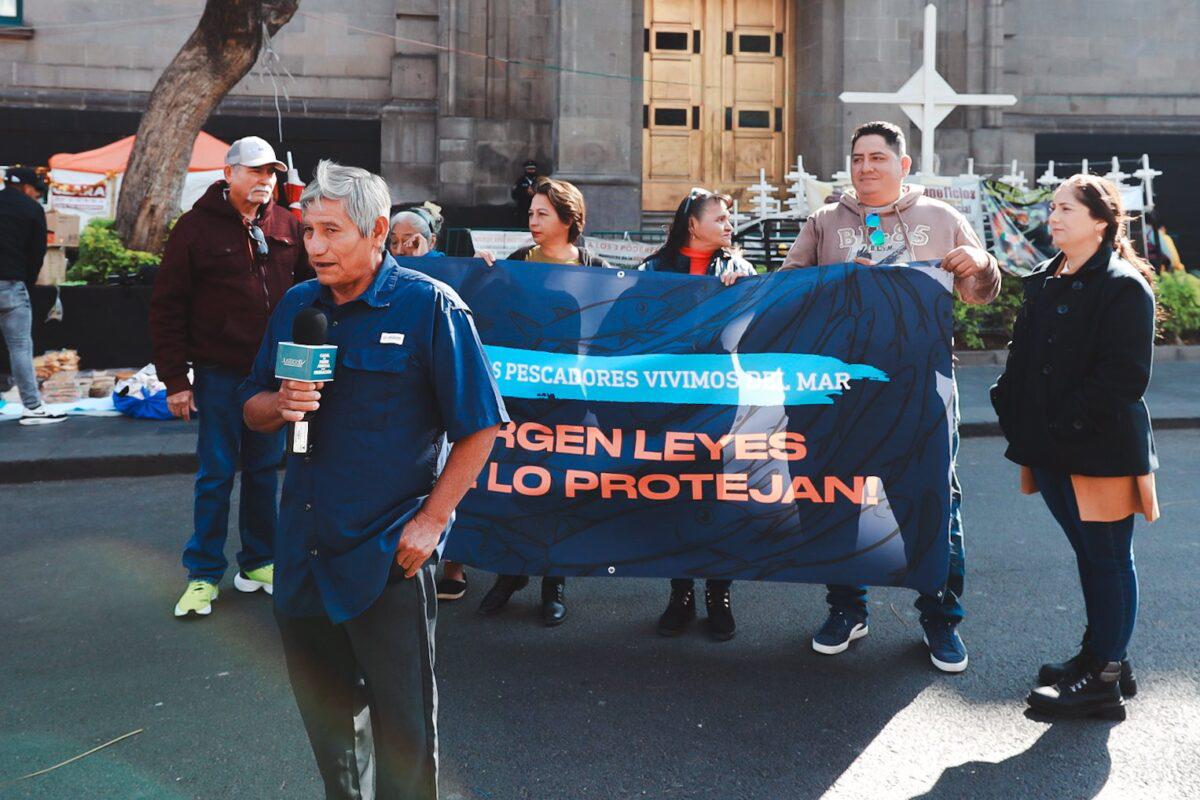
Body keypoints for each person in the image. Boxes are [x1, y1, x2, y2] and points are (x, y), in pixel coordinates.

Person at [241, 160, 507, 799]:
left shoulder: (430, 306)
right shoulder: (299, 306)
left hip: (386, 555)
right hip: (302, 553)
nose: (315, 247)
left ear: (378, 230)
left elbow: (481, 426)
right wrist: (281, 403)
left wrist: (432, 522)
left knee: (403, 729)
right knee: (329, 724)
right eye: (309, 231)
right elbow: (250, 407)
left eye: (332, 231)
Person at [779, 120, 1001, 673]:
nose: (865, 168)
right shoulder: (825, 222)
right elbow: (786, 290)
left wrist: (983, 265)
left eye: (877, 158)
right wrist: (833, 284)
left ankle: (940, 617)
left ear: (903, 165)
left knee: (932, 499)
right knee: (835, 495)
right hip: (841, 389)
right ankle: (846, 609)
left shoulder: (942, 219)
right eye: (857, 158)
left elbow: (980, 294)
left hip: (921, 386)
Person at [991, 174, 1157, 721]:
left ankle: (1102, 681)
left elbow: (1123, 379)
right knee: (1090, 556)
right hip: (1049, 446)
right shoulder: (1046, 276)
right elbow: (1022, 354)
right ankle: (1103, 655)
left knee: (1107, 559)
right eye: (1053, 207)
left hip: (1099, 448)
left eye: (1067, 209)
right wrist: (1008, 403)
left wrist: (1060, 423)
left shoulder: (1123, 285)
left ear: (1101, 222)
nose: (1054, 217)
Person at [150, 136, 309, 618]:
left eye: (272, 172)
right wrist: (176, 381)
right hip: (218, 373)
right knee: (216, 474)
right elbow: (167, 306)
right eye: (256, 171)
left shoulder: (288, 224)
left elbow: (311, 290)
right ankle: (202, 575)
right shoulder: (194, 228)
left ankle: (258, 562)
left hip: (274, 374)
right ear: (229, 173)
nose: (266, 180)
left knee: (264, 471)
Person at [478, 177, 609, 626]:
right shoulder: (516, 263)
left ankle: (554, 582)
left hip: (570, 401)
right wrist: (482, 273)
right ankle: (510, 572)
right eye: (531, 213)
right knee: (514, 485)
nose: (532, 221)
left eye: (542, 214)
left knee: (558, 490)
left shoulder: (596, 267)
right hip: (520, 399)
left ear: (568, 219)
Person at [640, 187, 755, 641]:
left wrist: (743, 290)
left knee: (716, 493)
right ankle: (681, 593)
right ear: (692, 224)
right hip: (668, 401)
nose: (730, 225)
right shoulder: (653, 270)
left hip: (719, 401)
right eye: (720, 218)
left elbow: (757, 324)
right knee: (676, 493)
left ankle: (719, 593)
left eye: (729, 218)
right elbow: (630, 319)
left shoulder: (739, 268)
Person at [0, 167, 64, 425]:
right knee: (19, 346)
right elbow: (37, 253)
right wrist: (26, 281)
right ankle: (32, 407)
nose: (36, 195)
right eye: (36, 191)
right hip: (11, 283)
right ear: (26, 187)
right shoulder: (31, 209)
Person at [510, 159, 540, 224]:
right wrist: (526, 192)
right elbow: (514, 195)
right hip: (523, 209)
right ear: (525, 169)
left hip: (537, 209)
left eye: (532, 169)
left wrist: (535, 193)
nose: (531, 171)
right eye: (529, 169)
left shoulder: (539, 180)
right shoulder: (520, 180)